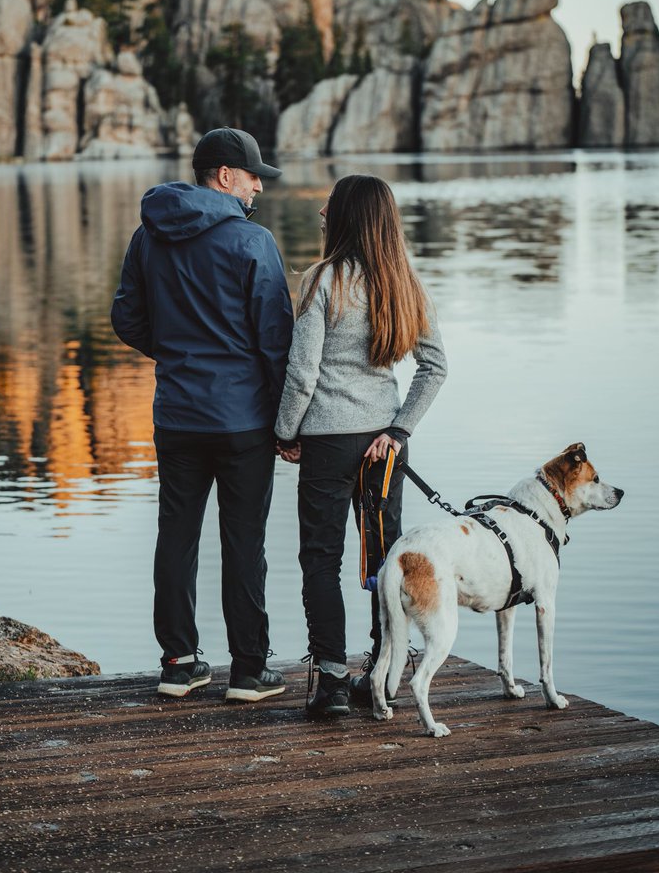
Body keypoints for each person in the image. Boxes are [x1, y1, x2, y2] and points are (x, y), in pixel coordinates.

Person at [111, 127, 294, 702]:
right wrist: (287, 423)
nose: (258, 187)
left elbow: (126, 319)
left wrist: (175, 352)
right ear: (224, 176)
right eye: (253, 176)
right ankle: (249, 670)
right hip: (242, 421)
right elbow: (275, 341)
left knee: (177, 537)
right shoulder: (252, 241)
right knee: (244, 542)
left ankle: (178, 663)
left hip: (178, 417)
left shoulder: (149, 236)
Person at [274, 174, 447, 718]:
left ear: (349, 216)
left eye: (331, 204)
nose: (322, 211)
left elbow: (302, 373)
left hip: (326, 442)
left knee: (321, 560)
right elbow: (435, 367)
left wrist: (284, 432)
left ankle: (329, 682)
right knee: (384, 558)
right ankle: (383, 672)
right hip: (382, 448)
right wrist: (397, 432)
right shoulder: (404, 283)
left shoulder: (324, 279)